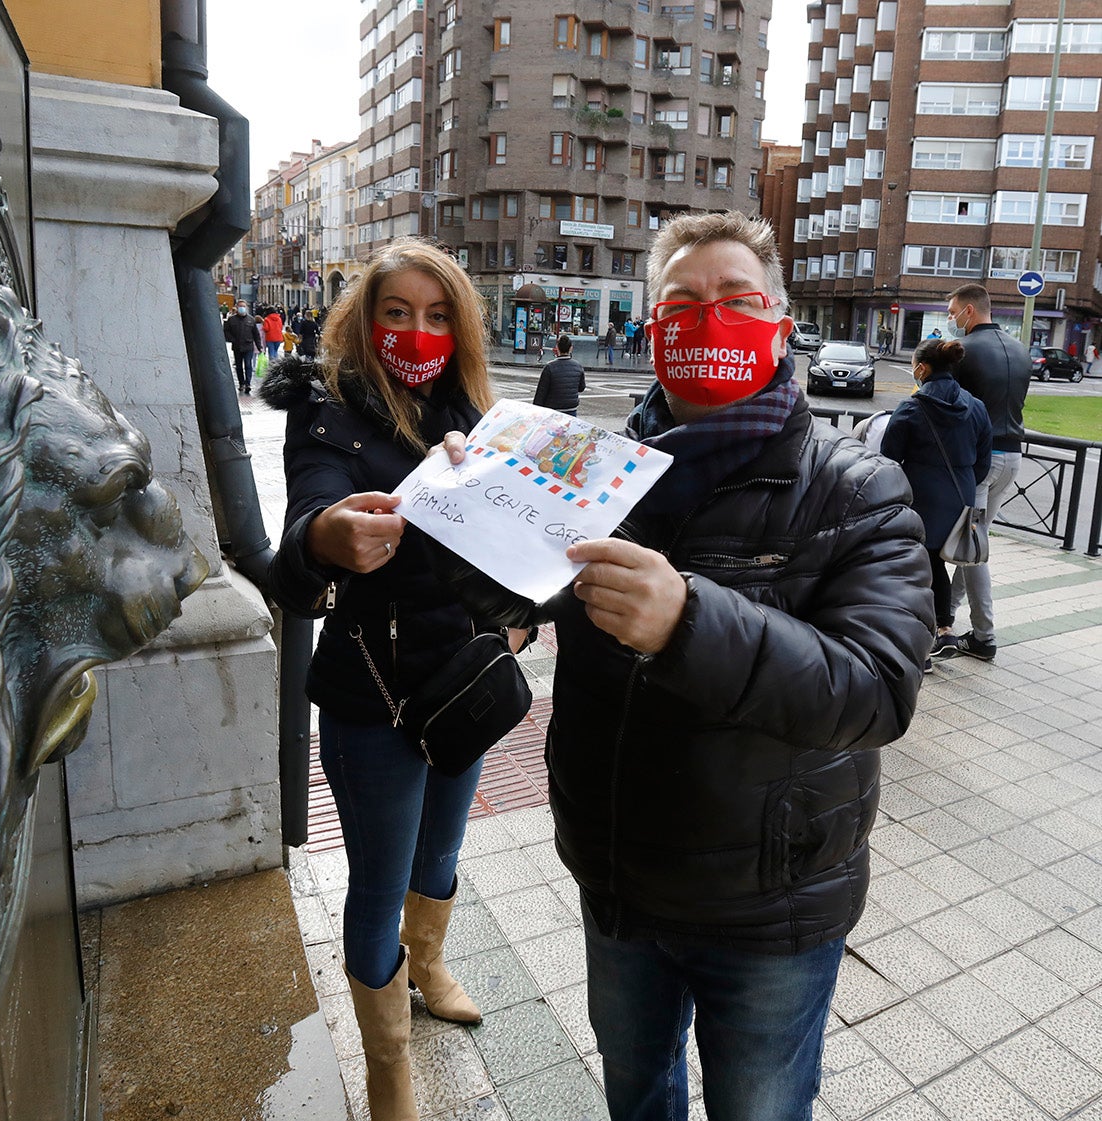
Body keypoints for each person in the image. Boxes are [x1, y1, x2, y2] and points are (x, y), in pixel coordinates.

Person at [439, 211, 933, 1120]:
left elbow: (877, 688)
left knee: (760, 1107)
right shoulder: (599, 474)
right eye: (682, 304)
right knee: (637, 1093)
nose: (708, 320)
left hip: (770, 902)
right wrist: (470, 513)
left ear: (781, 324)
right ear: (652, 327)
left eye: (736, 300)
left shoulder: (857, 487)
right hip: (618, 876)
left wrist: (689, 622)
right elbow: (509, 607)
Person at [261, 237, 526, 1121]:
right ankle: (388, 1073)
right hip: (371, 690)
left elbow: (518, 549)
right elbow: (301, 530)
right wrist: (324, 538)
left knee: (442, 851)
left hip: (463, 681)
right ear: (367, 322)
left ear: (462, 326)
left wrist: (524, 611)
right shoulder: (326, 410)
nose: (419, 329)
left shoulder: (480, 412)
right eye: (399, 312)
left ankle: (433, 964)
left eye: (439, 313)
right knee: (376, 883)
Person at [880, 339, 992, 668]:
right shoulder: (975, 406)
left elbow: (888, 458)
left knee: (917, 568)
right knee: (936, 565)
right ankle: (944, 630)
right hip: (960, 499)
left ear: (921, 368)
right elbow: (982, 464)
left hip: (920, 498)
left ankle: (921, 643)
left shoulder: (912, 408)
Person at [943, 282, 1031, 661]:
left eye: (952, 313)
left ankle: (984, 636)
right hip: (1013, 458)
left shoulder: (963, 352)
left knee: (973, 549)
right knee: (973, 542)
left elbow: (950, 407)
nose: (950, 320)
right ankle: (947, 612)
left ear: (969, 311)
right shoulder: (1020, 350)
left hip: (981, 461)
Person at [533, 333, 587, 416]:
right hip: (571, 408)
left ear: (557, 348)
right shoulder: (578, 366)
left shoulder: (549, 367)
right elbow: (581, 388)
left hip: (553, 409)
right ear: (571, 348)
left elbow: (541, 393)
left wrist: (536, 412)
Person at [222, 302, 262, 394]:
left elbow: (256, 334)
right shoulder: (232, 320)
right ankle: (241, 383)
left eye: (243, 307)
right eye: (240, 306)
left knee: (248, 365)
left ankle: (248, 383)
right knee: (239, 366)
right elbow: (226, 331)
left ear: (246, 308)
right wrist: (232, 339)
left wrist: (259, 347)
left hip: (248, 346)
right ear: (237, 307)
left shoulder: (251, 320)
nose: (242, 308)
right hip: (237, 347)